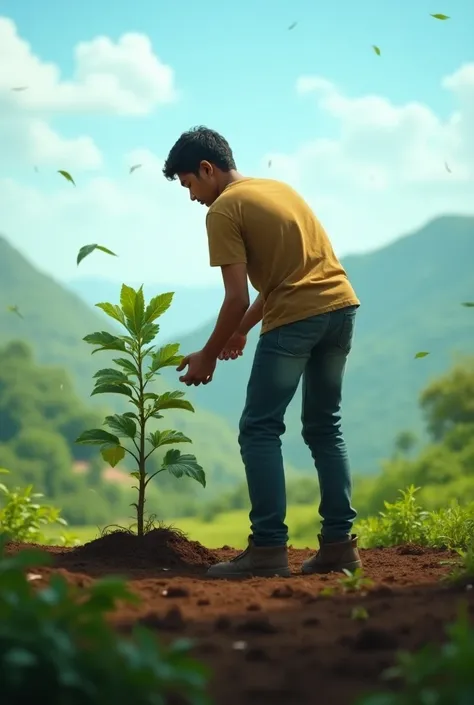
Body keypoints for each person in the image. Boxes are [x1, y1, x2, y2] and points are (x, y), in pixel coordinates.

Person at [162, 126, 362, 579]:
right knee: (324, 427)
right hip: (341, 308)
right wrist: (241, 333)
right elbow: (287, 276)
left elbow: (235, 297)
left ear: (207, 170)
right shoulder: (280, 190)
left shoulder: (223, 210)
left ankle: (269, 549)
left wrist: (208, 354)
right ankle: (338, 546)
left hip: (295, 319)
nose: (192, 197)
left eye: (189, 183)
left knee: (259, 428)